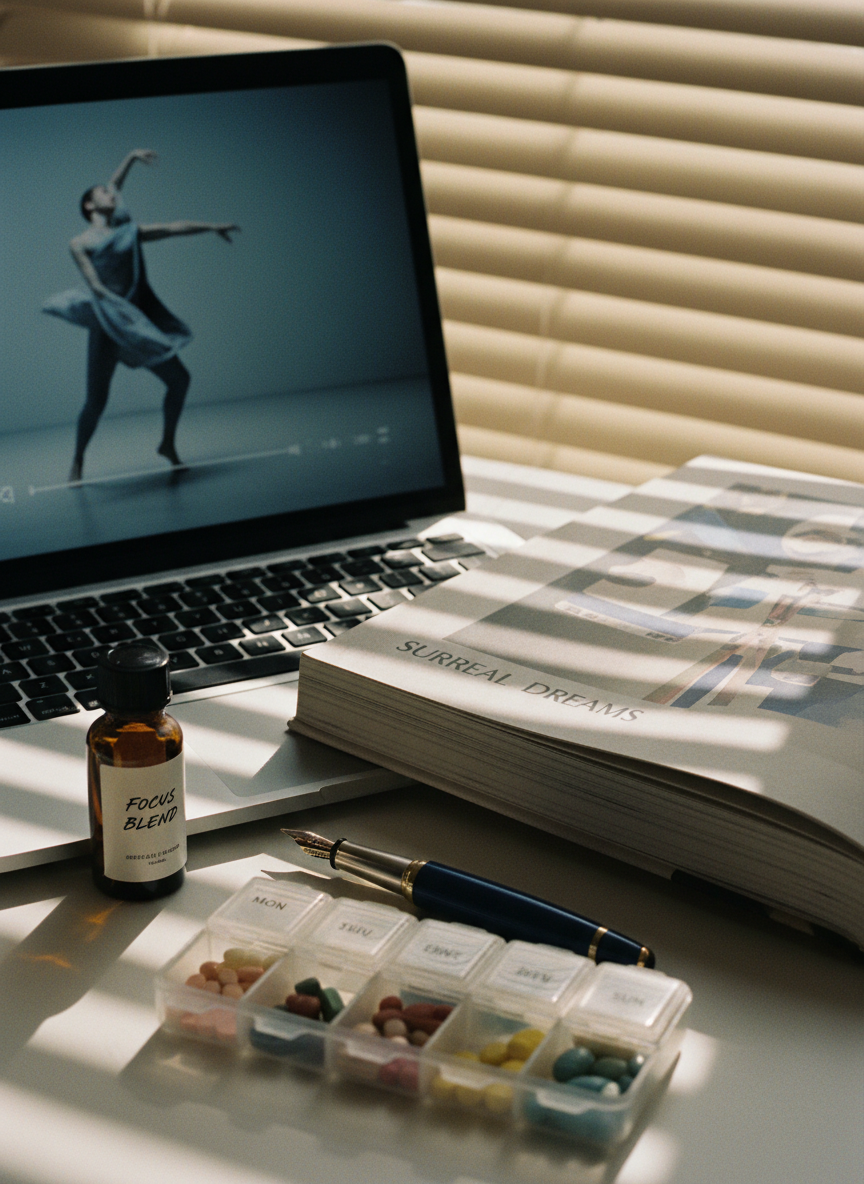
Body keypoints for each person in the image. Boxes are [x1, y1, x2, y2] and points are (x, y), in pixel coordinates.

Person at [43, 149, 239, 482]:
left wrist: (212, 226)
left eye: (111, 192)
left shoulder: (129, 232)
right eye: (104, 193)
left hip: (136, 324)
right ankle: (77, 460)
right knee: (96, 401)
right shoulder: (80, 242)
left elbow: (172, 228)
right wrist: (121, 317)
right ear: (90, 205)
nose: (112, 193)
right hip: (109, 326)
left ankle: (167, 444)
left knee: (180, 379)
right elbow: (94, 286)